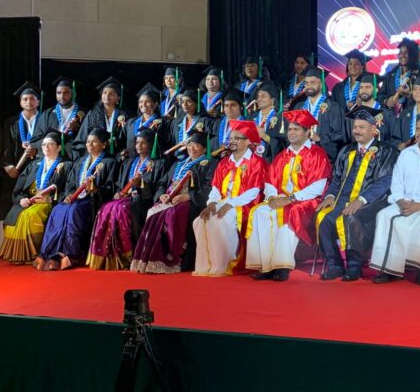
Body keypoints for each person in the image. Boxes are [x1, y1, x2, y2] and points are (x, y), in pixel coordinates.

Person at [315, 105, 397, 281]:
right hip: (343, 199)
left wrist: (362, 199)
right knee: (323, 218)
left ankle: (354, 266)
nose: (356, 131)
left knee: (350, 218)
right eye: (355, 127)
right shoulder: (347, 150)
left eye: (361, 127)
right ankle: (335, 265)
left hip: (372, 202)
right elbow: (336, 179)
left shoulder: (386, 151)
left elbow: (385, 181)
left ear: (373, 129)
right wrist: (330, 196)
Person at [248, 110, 332, 280]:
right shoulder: (283, 155)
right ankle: (266, 265)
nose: (291, 133)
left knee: (289, 212)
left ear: (308, 132)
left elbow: (318, 187)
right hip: (281, 199)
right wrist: (272, 197)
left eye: (296, 129)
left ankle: (282, 266)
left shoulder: (317, 154)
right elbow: (270, 181)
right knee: (260, 211)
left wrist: (292, 198)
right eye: (290, 129)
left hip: (307, 201)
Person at [369, 113, 420, 284]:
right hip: (405, 201)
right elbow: (396, 182)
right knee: (384, 215)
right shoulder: (406, 153)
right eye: (417, 129)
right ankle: (388, 268)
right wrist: (400, 202)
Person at [131, 132, 215, 274]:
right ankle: (152, 258)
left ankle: (173, 258)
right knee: (152, 212)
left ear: (204, 148)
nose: (192, 148)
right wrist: (162, 195)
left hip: (192, 201)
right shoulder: (178, 163)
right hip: (170, 198)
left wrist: (188, 196)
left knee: (172, 213)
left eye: (196, 146)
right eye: (190, 145)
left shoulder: (209, 163)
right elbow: (162, 182)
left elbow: (209, 186)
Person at [35, 127, 118, 270]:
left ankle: (70, 254)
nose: (89, 144)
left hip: (93, 201)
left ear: (104, 144)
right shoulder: (80, 161)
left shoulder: (110, 163)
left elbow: (111, 188)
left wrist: (96, 189)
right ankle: (48, 253)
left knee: (74, 211)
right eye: (88, 141)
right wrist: (68, 194)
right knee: (58, 209)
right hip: (76, 198)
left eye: (94, 142)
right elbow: (70, 184)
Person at [193, 121, 266, 276]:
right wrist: (211, 203)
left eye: (237, 138)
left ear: (248, 141)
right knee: (200, 221)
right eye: (231, 138)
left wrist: (230, 204)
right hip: (223, 201)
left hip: (246, 204)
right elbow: (216, 188)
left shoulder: (256, 162)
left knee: (221, 221)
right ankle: (206, 265)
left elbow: (253, 192)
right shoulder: (224, 163)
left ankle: (225, 264)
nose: (232, 141)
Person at [86, 129, 162, 271]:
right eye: (137, 143)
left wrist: (141, 185)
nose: (139, 146)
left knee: (120, 209)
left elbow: (157, 186)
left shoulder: (157, 163)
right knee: (106, 207)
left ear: (151, 145)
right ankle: (109, 255)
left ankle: (127, 255)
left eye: (143, 143)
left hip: (144, 198)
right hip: (126, 197)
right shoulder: (130, 162)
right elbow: (120, 183)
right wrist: (117, 193)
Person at [0, 133, 70, 264]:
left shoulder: (66, 165)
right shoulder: (34, 164)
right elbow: (19, 188)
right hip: (30, 200)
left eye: (50, 144)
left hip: (50, 202)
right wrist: (21, 199)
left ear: (59, 147)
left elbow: (68, 188)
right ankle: (17, 254)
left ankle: (32, 253)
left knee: (30, 215)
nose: (46, 147)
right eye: (44, 144)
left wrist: (52, 200)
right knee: (15, 214)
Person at [0, 82, 47, 228]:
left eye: (32, 99)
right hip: (16, 169)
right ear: (20, 102)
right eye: (25, 99)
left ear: (38, 101)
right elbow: (5, 146)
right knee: (10, 200)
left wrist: (37, 150)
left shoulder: (45, 120)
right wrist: (8, 166)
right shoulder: (11, 122)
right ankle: (7, 236)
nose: (29, 102)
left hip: (38, 168)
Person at [320, 71, 380, 159]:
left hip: (380, 158)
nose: (364, 90)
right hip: (354, 159)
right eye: (361, 87)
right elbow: (343, 141)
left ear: (376, 90)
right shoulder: (351, 117)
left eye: (367, 87)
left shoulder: (386, 115)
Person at [383, 71, 420, 149]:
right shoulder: (404, 114)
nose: (417, 92)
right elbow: (395, 137)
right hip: (408, 153)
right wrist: (400, 145)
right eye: (414, 89)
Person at [81, 77, 128, 157]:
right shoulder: (92, 114)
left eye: (111, 94)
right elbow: (83, 136)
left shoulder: (124, 116)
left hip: (117, 155)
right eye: (104, 93)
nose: (107, 96)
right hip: (95, 154)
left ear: (118, 98)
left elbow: (127, 140)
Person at [42, 76, 85, 160]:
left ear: (72, 93)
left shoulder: (83, 113)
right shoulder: (48, 113)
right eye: (59, 93)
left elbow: (88, 137)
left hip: (74, 156)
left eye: (66, 93)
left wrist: (77, 128)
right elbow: (37, 137)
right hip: (52, 155)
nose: (62, 96)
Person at [378, 37, 420, 112]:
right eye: (400, 52)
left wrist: (409, 95)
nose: (402, 55)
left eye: (406, 53)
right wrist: (386, 101)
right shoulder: (390, 75)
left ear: (413, 55)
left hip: (413, 115)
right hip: (392, 117)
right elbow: (381, 96)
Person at [123, 83, 164, 159]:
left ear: (155, 104)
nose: (143, 104)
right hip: (133, 162)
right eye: (141, 102)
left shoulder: (162, 123)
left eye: (147, 102)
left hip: (152, 162)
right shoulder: (130, 123)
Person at [249, 81, 285, 160]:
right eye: (258, 96)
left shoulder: (280, 119)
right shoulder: (251, 118)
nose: (259, 99)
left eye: (263, 96)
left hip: (270, 161)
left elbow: (282, 145)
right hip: (252, 161)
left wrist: (264, 136)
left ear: (272, 100)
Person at [168, 89, 207, 159]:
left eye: (188, 101)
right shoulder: (176, 123)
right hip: (178, 159)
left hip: (196, 157)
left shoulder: (205, 121)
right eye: (183, 102)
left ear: (196, 103)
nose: (185, 104)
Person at [293, 67, 331, 136]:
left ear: (321, 84)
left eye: (313, 82)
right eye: (306, 83)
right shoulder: (298, 107)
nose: (309, 86)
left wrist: (319, 139)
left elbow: (338, 135)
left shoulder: (332, 107)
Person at [208, 90, 245, 157]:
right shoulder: (217, 123)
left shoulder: (246, 125)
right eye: (226, 106)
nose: (229, 108)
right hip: (218, 160)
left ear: (241, 107)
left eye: (233, 105)